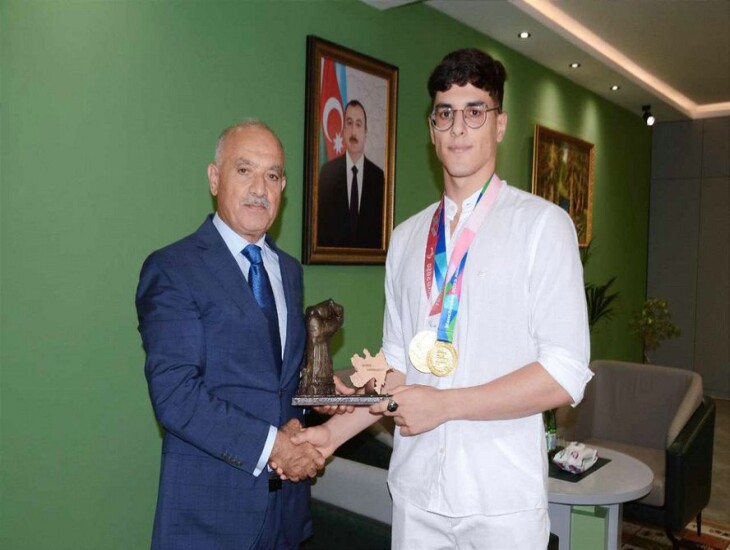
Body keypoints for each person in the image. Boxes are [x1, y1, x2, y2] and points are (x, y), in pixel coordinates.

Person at [290, 49, 593, 549]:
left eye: (475, 112)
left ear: (499, 124)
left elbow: (563, 373)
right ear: (431, 130)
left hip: (501, 500)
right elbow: (399, 370)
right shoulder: (406, 238)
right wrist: (333, 435)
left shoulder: (543, 227)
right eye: (445, 114)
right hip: (416, 494)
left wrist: (446, 405)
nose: (458, 128)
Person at [135, 120, 324, 550]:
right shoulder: (173, 269)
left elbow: (278, 380)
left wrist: (318, 397)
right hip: (209, 519)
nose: (260, 188)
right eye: (244, 170)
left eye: (272, 175)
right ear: (214, 177)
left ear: (283, 187)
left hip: (286, 513)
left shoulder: (289, 271)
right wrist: (275, 447)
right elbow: (176, 395)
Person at [317, 99, 385, 248]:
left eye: (358, 124)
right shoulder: (327, 173)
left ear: (365, 132)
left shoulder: (378, 178)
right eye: (349, 123)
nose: (353, 132)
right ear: (343, 129)